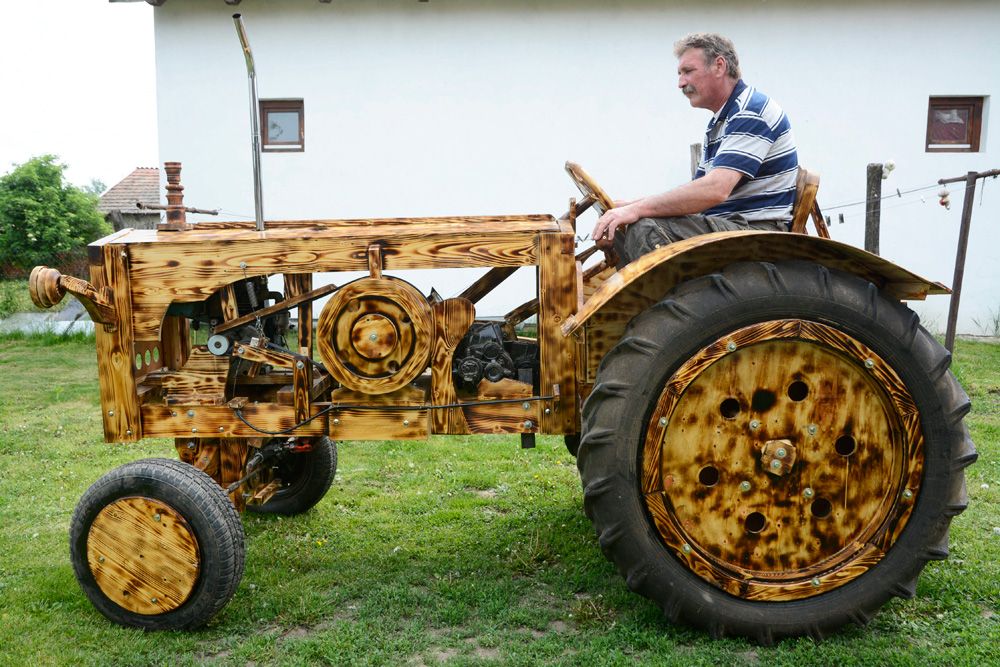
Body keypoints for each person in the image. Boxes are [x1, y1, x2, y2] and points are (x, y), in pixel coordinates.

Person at [592, 33, 798, 264]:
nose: (680, 83)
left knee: (645, 229)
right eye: (680, 74)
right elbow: (699, 191)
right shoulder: (721, 121)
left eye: (688, 71)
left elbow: (715, 190)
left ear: (719, 66)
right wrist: (631, 206)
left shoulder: (751, 111)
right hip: (733, 225)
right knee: (622, 224)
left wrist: (639, 209)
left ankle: (666, 299)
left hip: (756, 231)